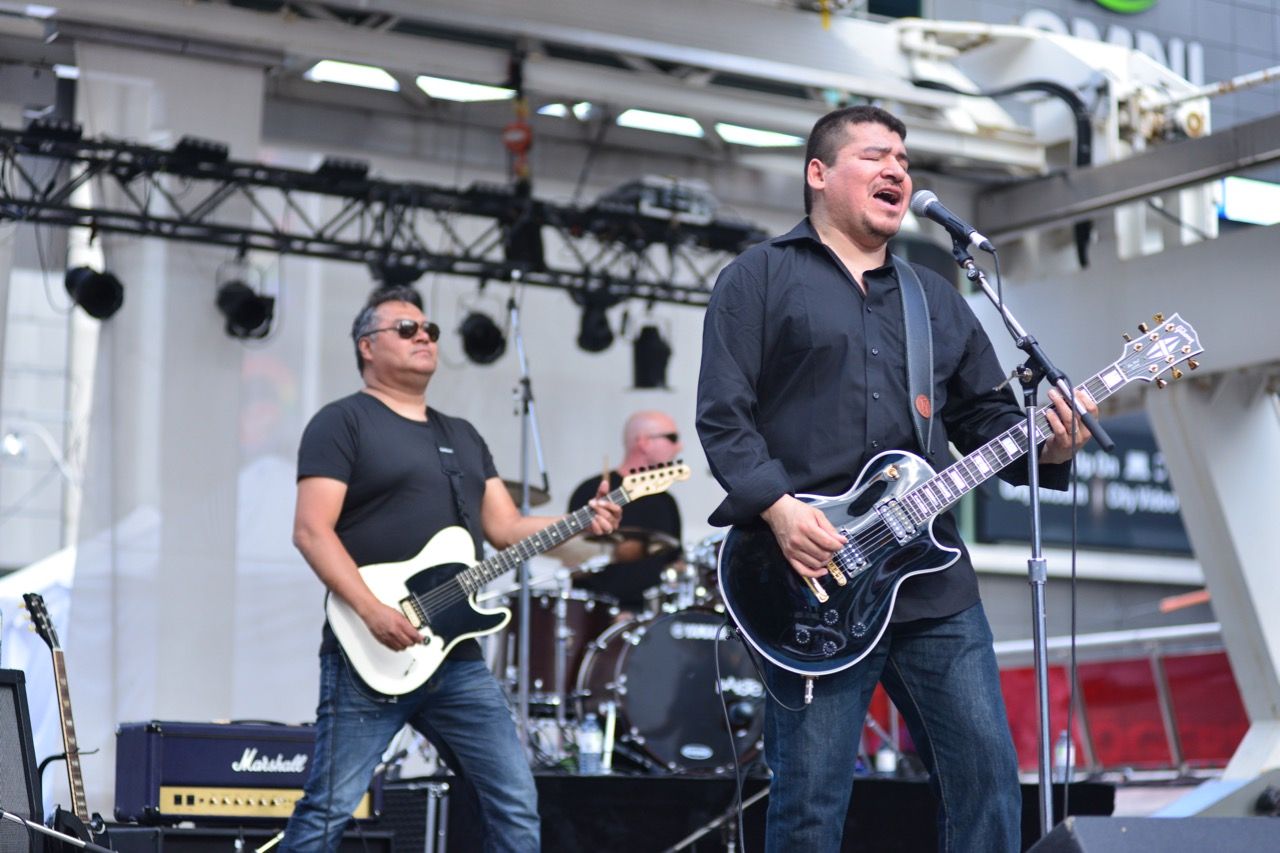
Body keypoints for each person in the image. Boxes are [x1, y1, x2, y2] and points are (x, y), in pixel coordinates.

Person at [695, 105, 1096, 852]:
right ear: (819, 173)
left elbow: (985, 420)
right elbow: (724, 415)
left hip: (931, 582)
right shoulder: (759, 277)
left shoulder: (933, 294)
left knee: (986, 781)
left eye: (905, 161)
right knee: (810, 805)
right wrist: (779, 509)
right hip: (809, 576)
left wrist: (1049, 446)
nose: (898, 171)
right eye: (876, 156)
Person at [280, 286, 621, 852]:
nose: (424, 337)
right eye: (406, 329)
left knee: (514, 802)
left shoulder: (460, 435)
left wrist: (582, 520)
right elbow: (311, 531)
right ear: (367, 346)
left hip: (455, 658)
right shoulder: (342, 422)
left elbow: (506, 528)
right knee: (328, 809)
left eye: (430, 330)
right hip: (368, 650)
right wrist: (373, 612)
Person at [567, 411, 683, 612]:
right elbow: (573, 560)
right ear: (644, 442)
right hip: (597, 616)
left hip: (652, 616)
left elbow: (674, 562)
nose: (679, 447)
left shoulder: (667, 502)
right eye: (672, 438)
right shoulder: (590, 491)